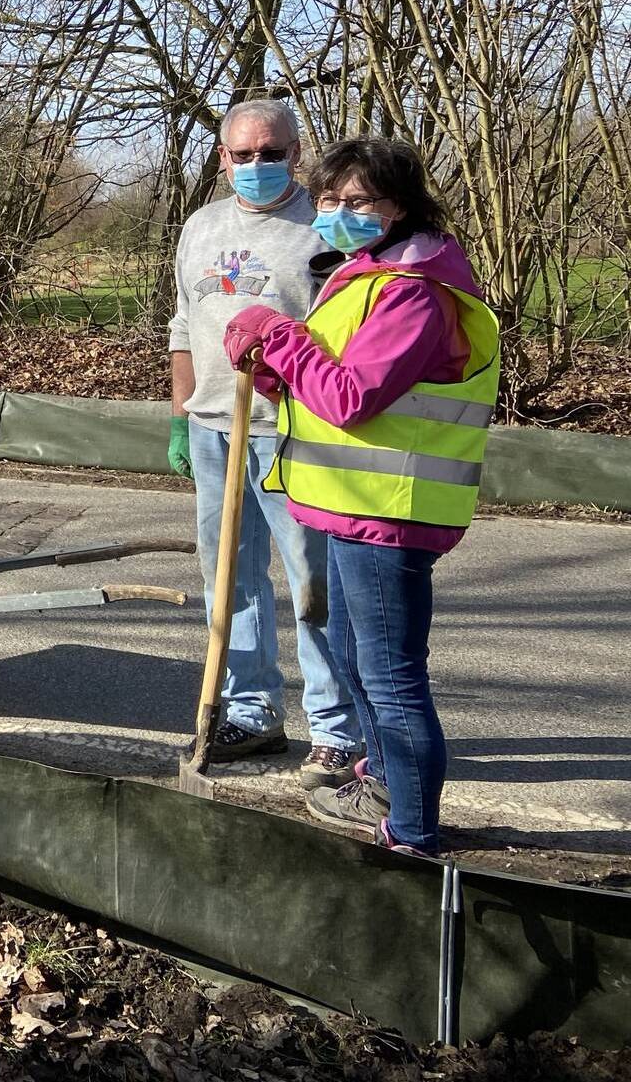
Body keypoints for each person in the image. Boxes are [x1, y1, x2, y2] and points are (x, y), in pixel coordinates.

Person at [225, 137, 498, 857]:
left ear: (398, 206)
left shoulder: (415, 293)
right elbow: (327, 380)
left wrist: (277, 333)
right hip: (351, 504)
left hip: (390, 512)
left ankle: (410, 831)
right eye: (329, 199)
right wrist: (275, 371)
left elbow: (351, 398)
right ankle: (377, 781)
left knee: (391, 676)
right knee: (350, 656)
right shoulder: (365, 274)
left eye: (358, 201)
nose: (339, 211)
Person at [168, 100, 362, 787]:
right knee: (230, 580)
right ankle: (251, 711)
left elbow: (351, 333)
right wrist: (180, 413)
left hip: (296, 432)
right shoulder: (201, 227)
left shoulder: (323, 228)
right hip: (215, 426)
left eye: (270, 152)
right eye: (242, 155)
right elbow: (184, 324)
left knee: (315, 582)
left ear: (296, 153)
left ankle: (339, 729)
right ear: (223, 160)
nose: (256, 165)